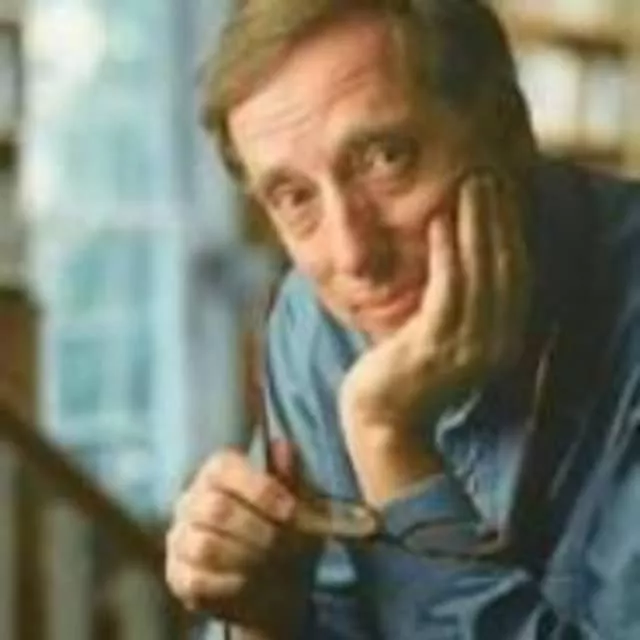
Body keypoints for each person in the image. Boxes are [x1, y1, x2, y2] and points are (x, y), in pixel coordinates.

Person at [165, 0, 640, 638]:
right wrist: (267, 621)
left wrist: (388, 440)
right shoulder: (314, 322)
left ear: (506, 128)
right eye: (295, 198)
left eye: (385, 158)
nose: (353, 256)